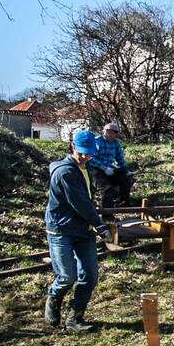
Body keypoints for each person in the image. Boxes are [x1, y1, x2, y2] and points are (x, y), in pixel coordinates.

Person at [45, 129, 114, 333]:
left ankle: (75, 318)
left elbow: (89, 200)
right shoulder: (65, 172)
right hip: (61, 229)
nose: (85, 157)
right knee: (67, 276)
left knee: (90, 275)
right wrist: (101, 226)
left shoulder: (87, 167)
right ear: (72, 147)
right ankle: (54, 298)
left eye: (89, 153)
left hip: (82, 229)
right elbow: (81, 203)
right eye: (82, 152)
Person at [90, 121, 133, 209]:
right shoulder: (97, 142)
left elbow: (120, 158)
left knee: (126, 180)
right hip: (95, 170)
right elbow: (91, 159)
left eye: (115, 133)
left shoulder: (116, 143)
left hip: (109, 168)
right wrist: (104, 168)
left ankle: (123, 203)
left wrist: (125, 170)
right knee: (107, 189)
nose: (115, 135)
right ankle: (107, 213)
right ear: (106, 132)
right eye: (113, 133)